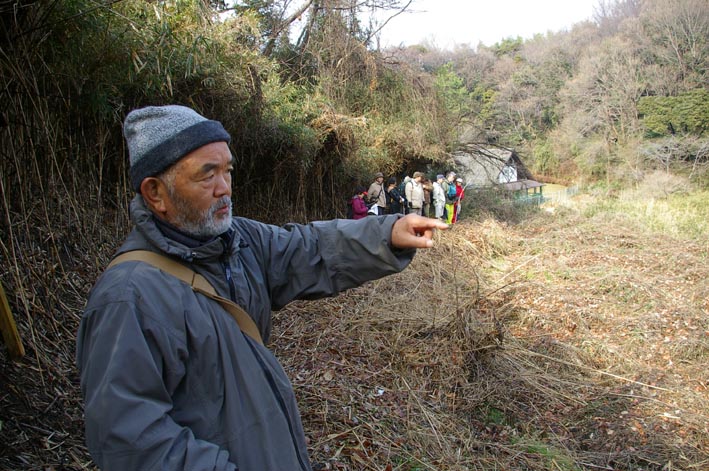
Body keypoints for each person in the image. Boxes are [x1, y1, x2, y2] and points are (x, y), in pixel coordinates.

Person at [76, 105, 448, 471]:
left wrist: (387, 234)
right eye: (207, 175)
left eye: (227, 171)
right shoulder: (128, 299)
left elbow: (310, 248)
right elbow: (132, 444)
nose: (225, 189)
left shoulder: (238, 241)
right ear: (155, 192)